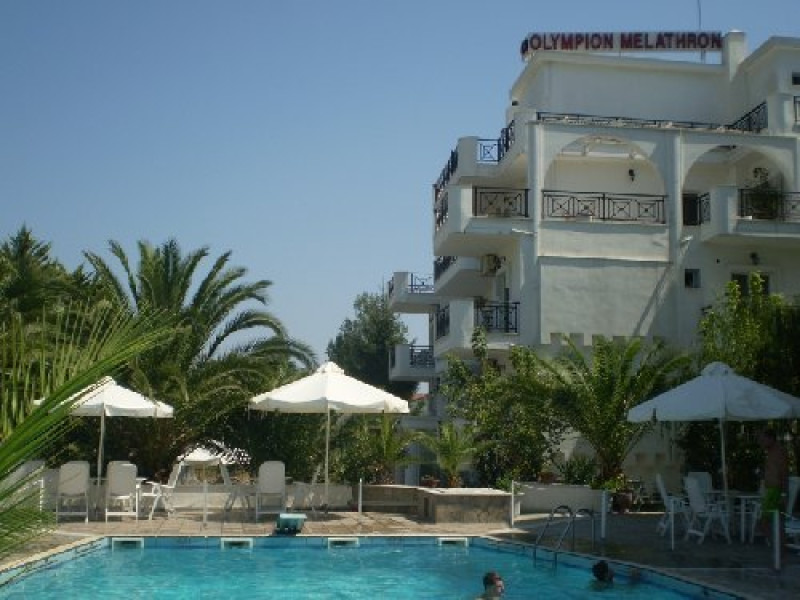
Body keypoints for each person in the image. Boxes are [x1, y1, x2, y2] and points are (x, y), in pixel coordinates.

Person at [758, 428, 789, 546]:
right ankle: (779, 547)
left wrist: (784, 494)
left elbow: (784, 473)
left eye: (763, 440)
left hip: (775, 491)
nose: (761, 443)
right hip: (771, 491)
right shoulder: (770, 452)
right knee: (771, 523)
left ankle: (779, 547)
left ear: (771, 438)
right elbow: (773, 471)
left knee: (764, 524)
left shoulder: (779, 452)